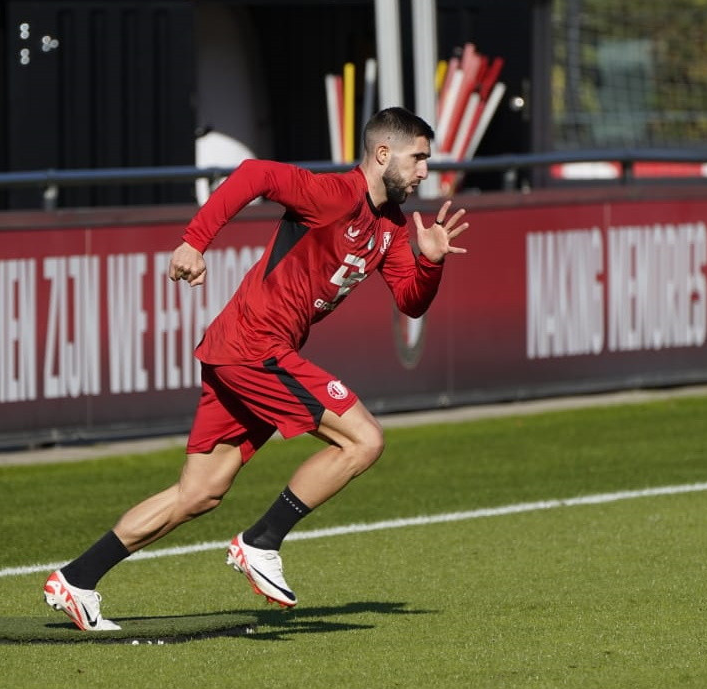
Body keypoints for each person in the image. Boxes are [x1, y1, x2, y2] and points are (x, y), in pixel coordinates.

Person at [42, 106, 470, 631]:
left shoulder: (389, 226)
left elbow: (411, 301)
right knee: (363, 440)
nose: (426, 170)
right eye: (419, 158)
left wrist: (430, 261)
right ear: (383, 155)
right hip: (254, 347)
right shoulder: (334, 195)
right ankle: (261, 541)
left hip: (240, 350)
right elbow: (254, 175)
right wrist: (194, 241)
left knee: (199, 493)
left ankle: (77, 579)